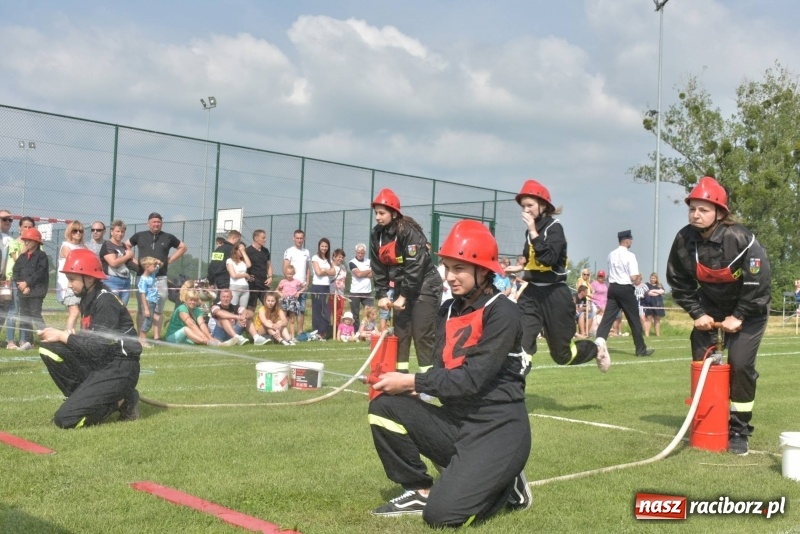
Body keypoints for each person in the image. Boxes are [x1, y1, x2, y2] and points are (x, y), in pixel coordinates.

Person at [368, 219, 531, 526]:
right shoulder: (447, 310)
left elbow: (471, 379)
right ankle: (419, 489)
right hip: (457, 422)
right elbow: (443, 372)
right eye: (447, 267)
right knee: (384, 407)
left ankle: (505, 483)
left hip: (497, 428)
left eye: (459, 269)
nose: (450, 276)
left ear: (482, 270)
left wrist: (413, 380)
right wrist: (409, 389)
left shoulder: (503, 311)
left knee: (441, 516)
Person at [667, 176, 771, 455]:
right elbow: (679, 282)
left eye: (704, 209)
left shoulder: (741, 239)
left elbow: (758, 283)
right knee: (701, 364)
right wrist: (697, 312)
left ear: (720, 213)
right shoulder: (684, 240)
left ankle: (739, 430)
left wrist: (739, 315)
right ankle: (706, 422)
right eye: (692, 209)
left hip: (750, 310)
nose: (696, 215)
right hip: (709, 309)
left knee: (740, 365)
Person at [505, 180, 609, 372]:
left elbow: (549, 259)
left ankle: (597, 349)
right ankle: (514, 383)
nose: (525, 210)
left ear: (543, 205)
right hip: (532, 294)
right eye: (523, 206)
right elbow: (532, 260)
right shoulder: (530, 231)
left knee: (562, 355)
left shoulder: (554, 228)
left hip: (555, 295)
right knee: (521, 341)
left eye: (530, 205)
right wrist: (518, 268)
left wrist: (533, 232)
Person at [37, 249, 140, 428]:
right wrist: (68, 337)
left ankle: (123, 401)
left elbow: (97, 349)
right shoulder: (87, 298)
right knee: (49, 347)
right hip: (103, 362)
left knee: (65, 420)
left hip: (120, 369)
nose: (69, 285)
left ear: (90, 279)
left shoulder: (105, 301)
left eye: (72, 279)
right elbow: (92, 344)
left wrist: (64, 336)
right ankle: (82, 399)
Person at [370, 188, 442, 373]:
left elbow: (414, 266)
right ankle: (400, 376)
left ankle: (429, 380)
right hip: (403, 285)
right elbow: (378, 267)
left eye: (382, 213)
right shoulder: (376, 235)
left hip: (425, 284)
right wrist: (382, 294)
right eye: (376, 213)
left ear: (394, 213)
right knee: (401, 333)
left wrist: (402, 296)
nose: (377, 217)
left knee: (422, 334)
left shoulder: (408, 231)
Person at [127, 213, 187, 341]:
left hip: (161, 278)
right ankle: (141, 338)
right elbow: (126, 245)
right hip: (143, 277)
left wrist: (169, 260)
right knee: (142, 309)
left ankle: (157, 338)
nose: (156, 224)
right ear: (148, 223)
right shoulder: (139, 236)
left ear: (161, 224)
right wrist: (133, 260)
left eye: (158, 222)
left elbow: (183, 247)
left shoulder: (168, 237)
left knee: (158, 310)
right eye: (154, 222)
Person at [594, 230, 654, 358]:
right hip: (625, 288)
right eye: (630, 240)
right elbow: (633, 277)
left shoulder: (611, 254)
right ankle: (640, 349)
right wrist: (636, 278)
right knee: (634, 320)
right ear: (627, 240)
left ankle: (597, 346)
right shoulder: (630, 255)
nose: (631, 242)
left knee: (606, 320)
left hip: (612, 288)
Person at [13, 228, 49, 351]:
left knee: (35, 315)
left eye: (29, 240)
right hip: (23, 292)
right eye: (25, 240)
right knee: (25, 316)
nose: (26, 242)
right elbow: (16, 272)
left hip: (37, 291)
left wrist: (27, 283)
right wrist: (21, 286)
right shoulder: (22, 257)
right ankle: (29, 342)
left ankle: (46, 339)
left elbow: (40, 272)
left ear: (36, 242)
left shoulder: (42, 256)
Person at [164, 282, 234, 346]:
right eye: (191, 300)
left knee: (196, 338)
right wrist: (206, 339)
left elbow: (202, 325)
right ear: (186, 300)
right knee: (186, 329)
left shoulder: (197, 310)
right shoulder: (182, 308)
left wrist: (210, 337)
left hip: (187, 337)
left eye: (195, 300)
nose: (193, 302)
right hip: (173, 337)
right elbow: (191, 325)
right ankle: (208, 343)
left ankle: (215, 343)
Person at [4, 217, 35, 349]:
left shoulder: (37, 245)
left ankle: (23, 340)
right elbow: (18, 261)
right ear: (19, 228)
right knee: (14, 310)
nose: (27, 229)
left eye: (30, 227)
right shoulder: (14, 243)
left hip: (29, 281)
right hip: (15, 280)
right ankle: (10, 341)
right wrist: (26, 246)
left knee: (25, 311)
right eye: (24, 227)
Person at [57, 221, 87, 333]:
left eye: (80, 231)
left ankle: (79, 335)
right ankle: (68, 335)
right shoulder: (66, 246)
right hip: (69, 285)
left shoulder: (84, 246)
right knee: (74, 312)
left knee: (83, 312)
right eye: (75, 230)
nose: (78, 233)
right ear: (70, 232)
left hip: (83, 284)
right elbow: (74, 262)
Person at [100, 220, 136, 306]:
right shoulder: (107, 245)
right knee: (112, 309)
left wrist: (146, 266)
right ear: (112, 232)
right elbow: (113, 263)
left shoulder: (124, 246)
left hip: (126, 281)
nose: (120, 234)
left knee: (122, 309)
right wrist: (127, 256)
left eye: (122, 232)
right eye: (118, 231)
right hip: (112, 281)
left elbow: (133, 260)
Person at [283, 229, 312, 334]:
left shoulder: (306, 252)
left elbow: (308, 268)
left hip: (302, 286)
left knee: (301, 310)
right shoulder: (289, 251)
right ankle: (286, 333)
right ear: (293, 238)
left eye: (301, 238)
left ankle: (300, 332)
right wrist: (289, 283)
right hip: (292, 287)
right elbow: (285, 268)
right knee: (289, 310)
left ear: (304, 239)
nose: (299, 240)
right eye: (297, 238)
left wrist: (307, 282)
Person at [310, 238, 335, 339]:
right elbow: (318, 272)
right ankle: (317, 332)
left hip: (326, 287)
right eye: (322, 246)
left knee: (325, 310)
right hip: (317, 286)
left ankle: (324, 331)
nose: (324, 248)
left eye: (326, 246)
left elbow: (333, 272)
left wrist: (325, 270)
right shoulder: (315, 258)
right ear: (319, 247)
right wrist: (327, 271)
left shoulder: (329, 260)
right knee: (317, 310)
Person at [137, 257, 161, 347]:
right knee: (147, 322)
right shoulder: (143, 280)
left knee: (148, 322)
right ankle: (142, 341)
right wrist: (146, 308)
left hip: (153, 301)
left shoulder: (152, 274)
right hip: (148, 302)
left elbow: (161, 265)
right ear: (147, 267)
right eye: (153, 266)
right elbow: (142, 294)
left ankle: (142, 340)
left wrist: (157, 262)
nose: (155, 267)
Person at [246, 229, 273, 309]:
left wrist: (270, 277)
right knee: (251, 307)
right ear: (256, 238)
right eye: (263, 238)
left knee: (269, 307)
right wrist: (247, 276)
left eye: (265, 238)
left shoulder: (265, 251)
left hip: (263, 283)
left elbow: (268, 265)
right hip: (252, 284)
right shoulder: (248, 251)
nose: (265, 240)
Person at [276, 265, 305, 339]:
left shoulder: (296, 281)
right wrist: (281, 294)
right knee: (284, 319)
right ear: (285, 273)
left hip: (293, 301)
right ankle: (282, 335)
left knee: (292, 320)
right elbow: (277, 290)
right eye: (288, 274)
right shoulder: (283, 281)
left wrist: (299, 293)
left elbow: (304, 287)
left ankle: (292, 336)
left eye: (291, 274)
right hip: (284, 301)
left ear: (293, 273)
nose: (289, 275)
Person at [348, 243, 373, 322]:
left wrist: (362, 273)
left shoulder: (369, 261)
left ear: (364, 253)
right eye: (358, 252)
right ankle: (356, 329)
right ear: (356, 252)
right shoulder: (352, 262)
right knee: (355, 315)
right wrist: (369, 270)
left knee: (370, 313)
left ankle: (368, 329)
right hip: (355, 292)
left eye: (362, 253)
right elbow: (358, 274)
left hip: (367, 292)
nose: (360, 255)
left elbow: (373, 274)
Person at [226, 242, 252, 309]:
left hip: (245, 287)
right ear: (236, 250)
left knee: (242, 309)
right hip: (235, 287)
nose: (241, 252)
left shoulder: (243, 262)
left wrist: (243, 252)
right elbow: (234, 275)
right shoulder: (229, 261)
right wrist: (245, 275)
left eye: (243, 250)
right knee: (234, 307)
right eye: (240, 250)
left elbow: (249, 265)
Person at [644, 272, 666, 337]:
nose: (653, 279)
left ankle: (658, 335)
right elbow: (648, 293)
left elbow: (662, 291)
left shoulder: (659, 285)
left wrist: (653, 290)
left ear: (656, 279)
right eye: (652, 278)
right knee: (649, 318)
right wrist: (656, 292)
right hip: (649, 303)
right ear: (650, 278)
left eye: (654, 278)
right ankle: (647, 335)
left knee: (657, 319)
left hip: (658, 304)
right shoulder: (646, 284)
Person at [330, 248, 347, 330]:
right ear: (334, 257)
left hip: (341, 293)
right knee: (329, 312)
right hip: (331, 292)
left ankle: (337, 330)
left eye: (342, 257)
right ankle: (326, 330)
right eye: (339, 257)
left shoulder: (343, 267)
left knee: (339, 313)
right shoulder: (330, 265)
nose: (340, 259)